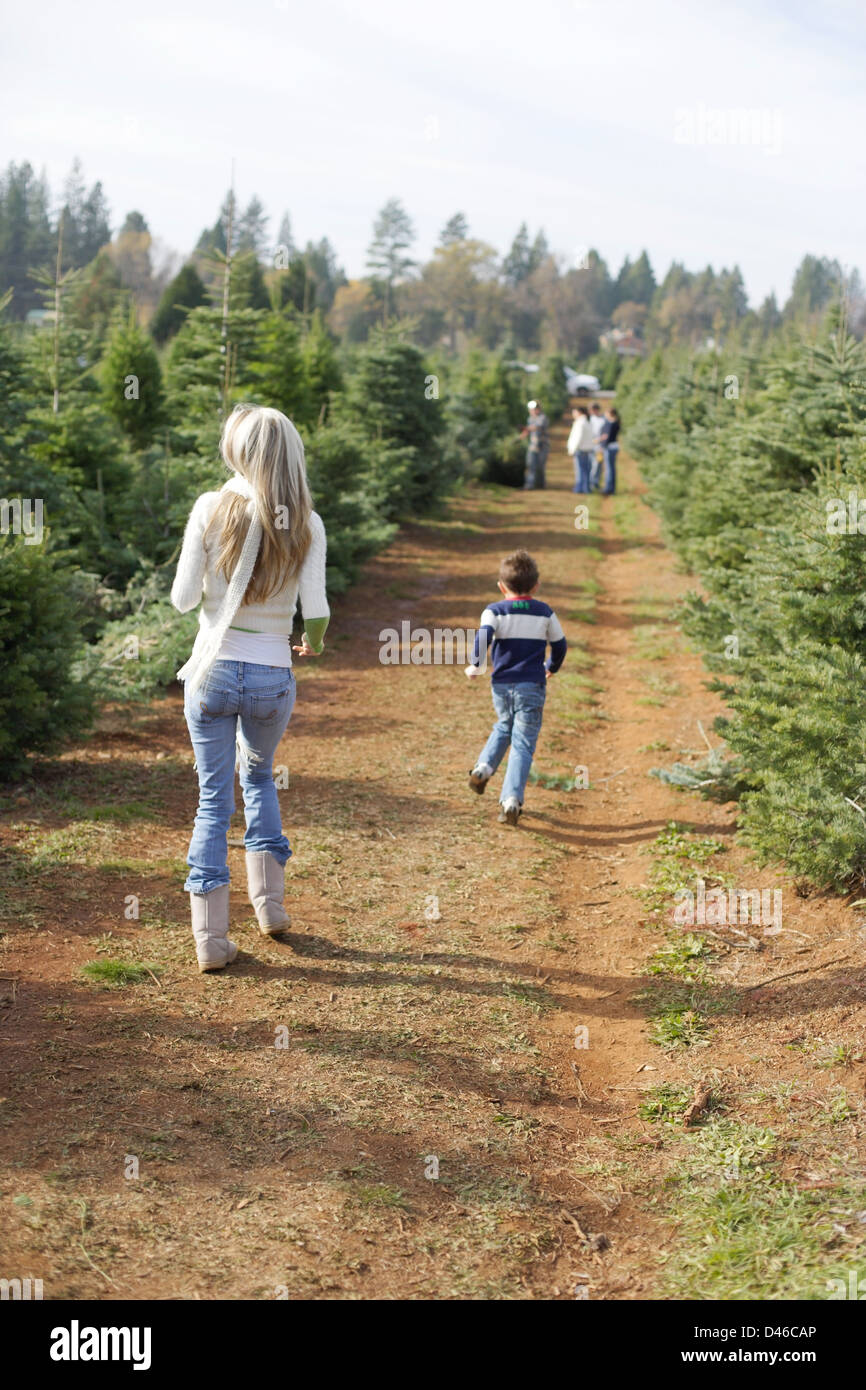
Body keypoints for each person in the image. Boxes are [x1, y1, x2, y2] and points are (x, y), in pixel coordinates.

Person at [171, 404, 329, 972]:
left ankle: (211, 941)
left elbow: (185, 599)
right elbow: (317, 614)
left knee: (213, 799)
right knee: (260, 777)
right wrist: (311, 641)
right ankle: (271, 907)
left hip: (212, 673)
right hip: (271, 676)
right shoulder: (308, 521)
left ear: (237, 450)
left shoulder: (211, 508)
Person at [464, 548, 567, 826]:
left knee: (503, 725)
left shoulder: (494, 610)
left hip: (502, 684)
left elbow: (483, 635)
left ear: (501, 586)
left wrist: (476, 664)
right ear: (536, 585)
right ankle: (511, 800)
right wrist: (551, 667)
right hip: (531, 685)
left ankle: (483, 767)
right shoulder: (545, 612)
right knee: (522, 743)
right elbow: (560, 645)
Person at [521, 400, 549, 489]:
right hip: (533, 445)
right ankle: (529, 484)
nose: (532, 411)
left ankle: (540, 484)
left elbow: (537, 427)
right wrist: (523, 434)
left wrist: (526, 428)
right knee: (530, 465)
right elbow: (528, 430)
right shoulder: (530, 418)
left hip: (542, 445)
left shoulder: (543, 418)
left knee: (540, 466)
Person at [567, 406, 595, 493]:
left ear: (579, 412)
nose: (573, 414)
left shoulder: (580, 423)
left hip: (580, 449)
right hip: (586, 449)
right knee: (585, 469)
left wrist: (572, 449)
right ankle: (585, 488)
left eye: (574, 412)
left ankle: (580, 488)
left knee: (580, 470)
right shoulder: (587, 422)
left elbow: (578, 437)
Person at [599, 406, 621, 495]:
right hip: (614, 447)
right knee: (611, 468)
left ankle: (608, 488)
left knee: (609, 469)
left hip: (609, 448)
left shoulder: (611, 424)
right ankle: (611, 488)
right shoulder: (616, 423)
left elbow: (607, 438)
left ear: (610, 414)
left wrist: (602, 446)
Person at [589, 402, 605, 490]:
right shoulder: (590, 419)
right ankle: (591, 483)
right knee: (592, 465)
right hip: (590, 446)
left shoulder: (603, 419)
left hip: (599, 447)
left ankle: (595, 483)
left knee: (598, 466)